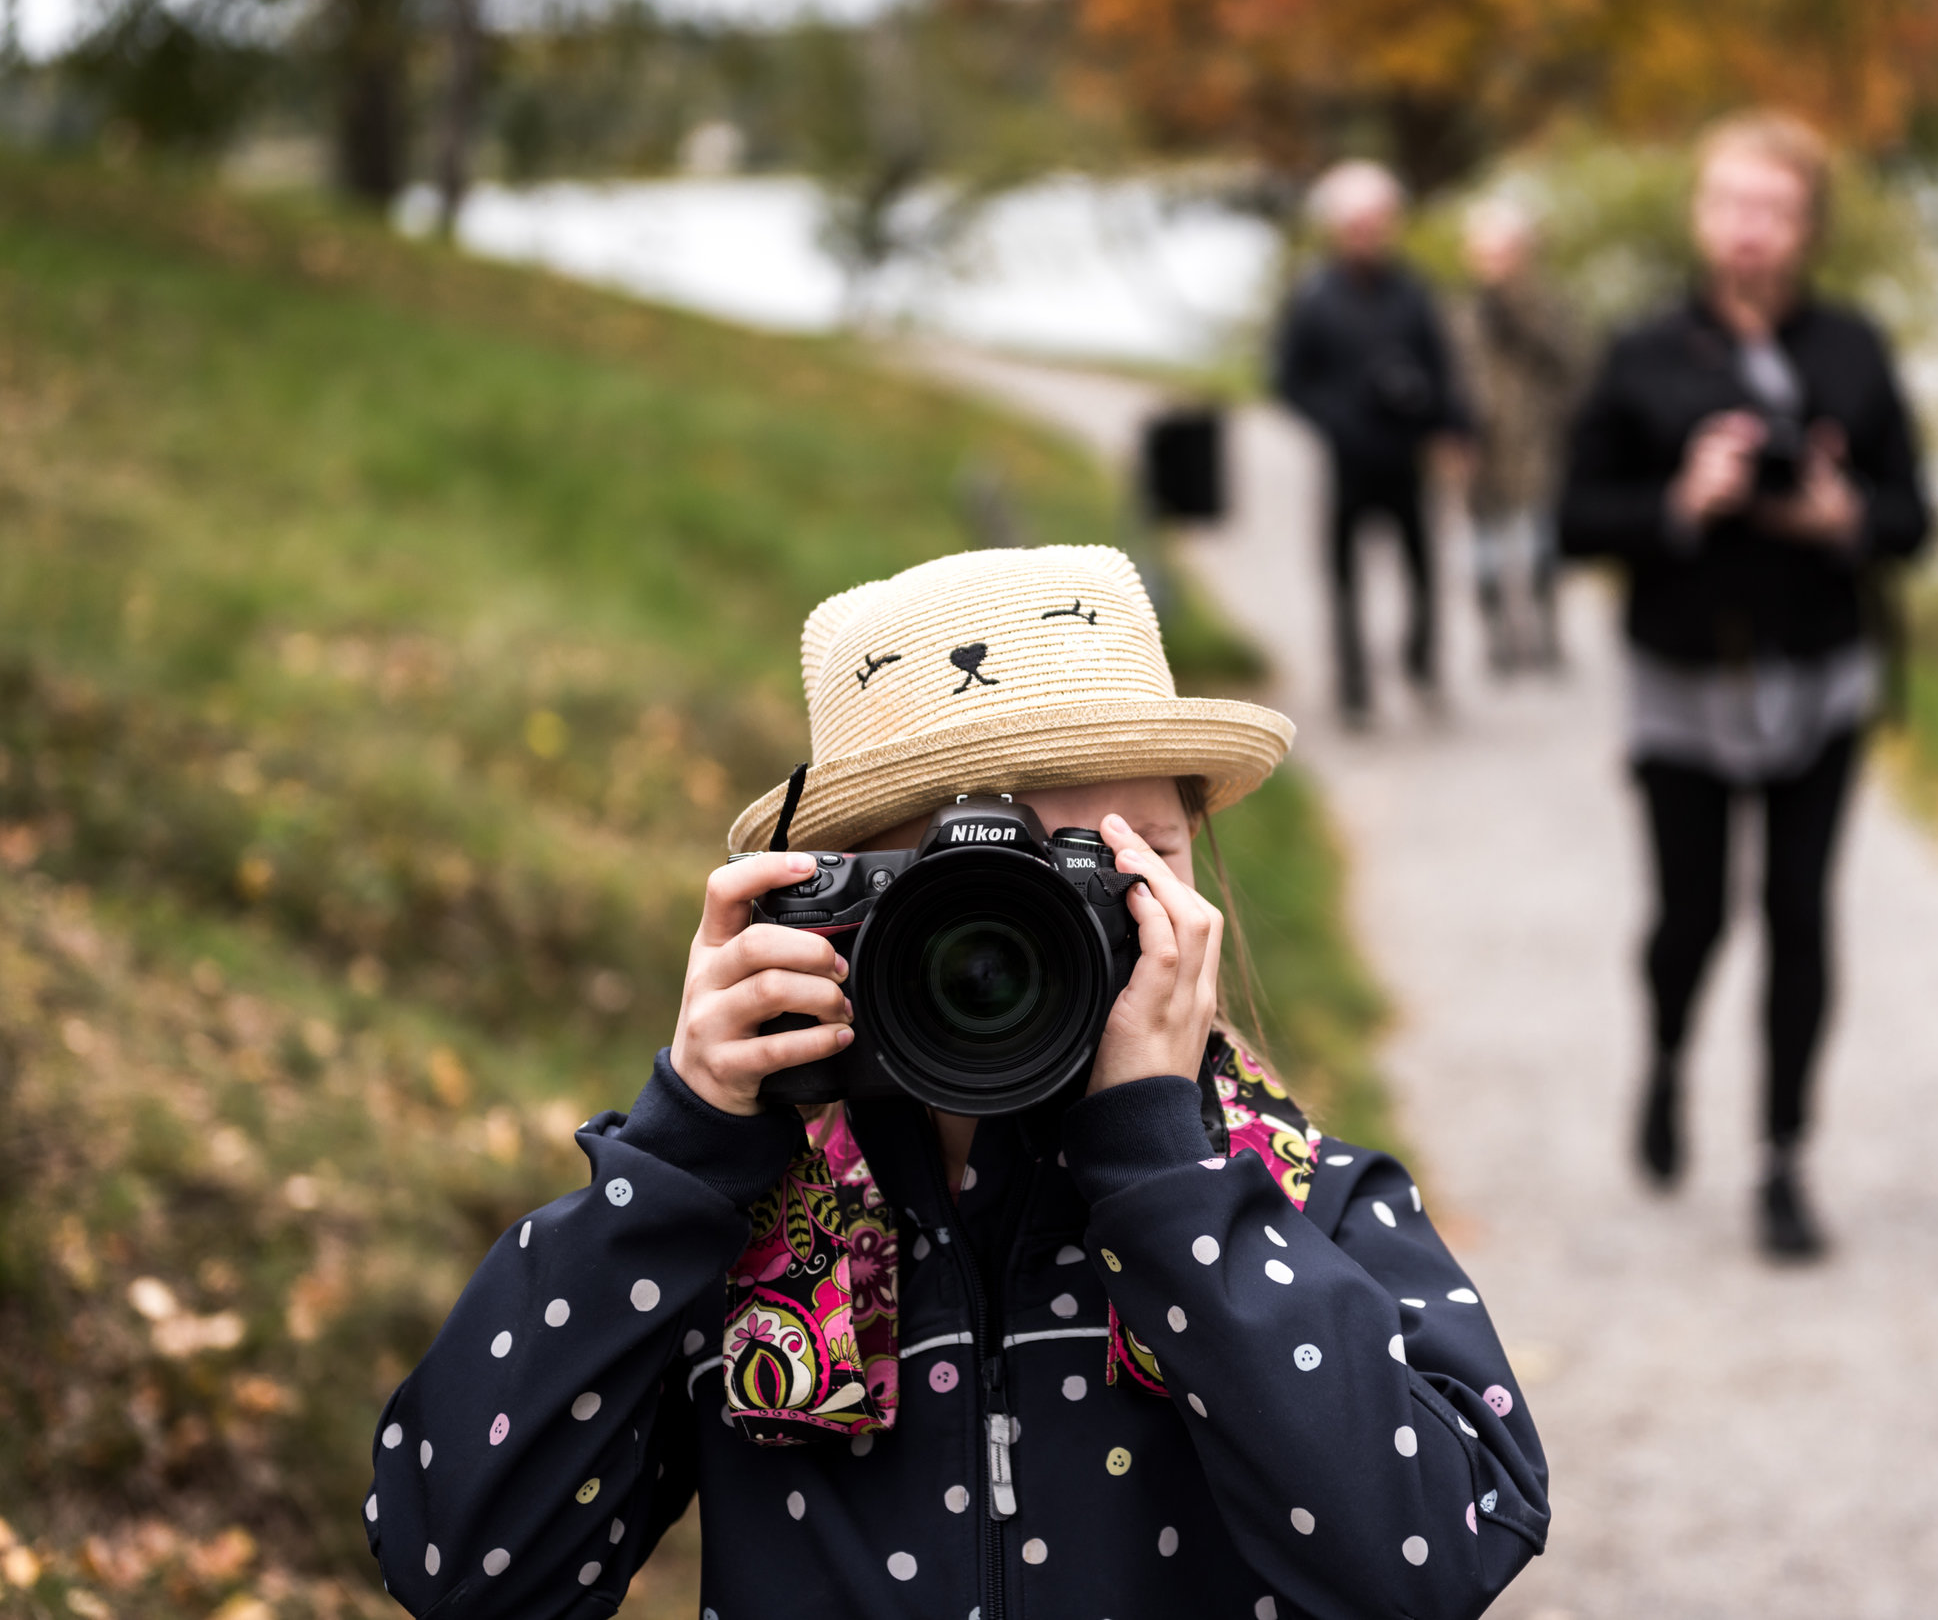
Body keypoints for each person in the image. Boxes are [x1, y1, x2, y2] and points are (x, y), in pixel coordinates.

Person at [362, 545, 1549, 1618]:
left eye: (1124, 861)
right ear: (839, 904)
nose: (1064, 926)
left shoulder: (1293, 1204)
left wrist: (1171, 1185)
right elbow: (464, 1571)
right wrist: (682, 1150)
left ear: (1199, 882)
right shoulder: (737, 1233)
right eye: (996, 875)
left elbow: (1433, 1565)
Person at [1558, 111, 1933, 1262]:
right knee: (1691, 916)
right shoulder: (1641, 355)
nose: (1750, 231)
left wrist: (1845, 515)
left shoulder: (1854, 350)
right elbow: (1575, 522)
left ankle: (1781, 1158)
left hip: (1821, 681)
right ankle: (1667, 1056)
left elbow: (1916, 519)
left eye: (1773, 210)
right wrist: (1681, 500)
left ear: (1808, 223)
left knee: (1800, 917)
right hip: (1681, 680)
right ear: (1699, 215)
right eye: (1730, 205)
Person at [1275, 160, 1472, 727]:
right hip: (1348, 460)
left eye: (1376, 220)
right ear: (1338, 227)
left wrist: (1447, 423)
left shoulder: (1412, 293)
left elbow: (1441, 367)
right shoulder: (1315, 297)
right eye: (1357, 222)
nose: (1367, 232)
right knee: (1344, 578)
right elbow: (1289, 380)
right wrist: (1337, 420)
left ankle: (1421, 664)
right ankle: (1354, 684)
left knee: (1424, 572)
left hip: (1405, 456)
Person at [1447, 197, 1583, 675]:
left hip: (1537, 446)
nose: (1495, 264)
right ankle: (1498, 642)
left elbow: (1572, 371)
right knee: (1483, 550)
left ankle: (1546, 638)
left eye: (1504, 252)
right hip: (1481, 450)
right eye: (1486, 253)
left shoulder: (1549, 308)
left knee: (1541, 544)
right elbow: (1446, 380)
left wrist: (1519, 323)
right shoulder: (1460, 313)